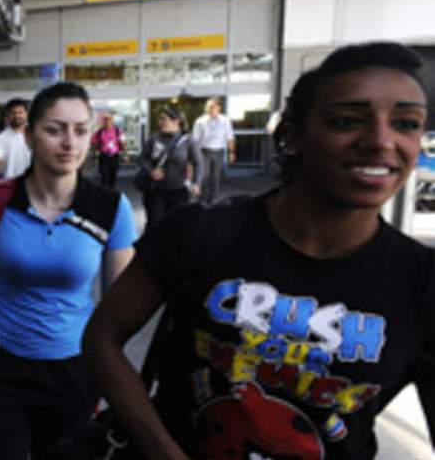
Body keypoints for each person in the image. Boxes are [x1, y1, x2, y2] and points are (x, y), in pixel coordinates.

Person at [83, 42, 435, 460]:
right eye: (346, 121)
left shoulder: (422, 281)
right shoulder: (198, 233)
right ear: (292, 136)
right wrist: (163, 451)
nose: (381, 140)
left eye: (406, 123)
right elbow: (102, 339)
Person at [0, 82, 138, 459]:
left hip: (73, 371)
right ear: (30, 135)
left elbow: (120, 310)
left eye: (80, 130)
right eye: (55, 129)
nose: (69, 142)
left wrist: (108, 378)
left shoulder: (110, 208)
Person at [138, 105, 203, 228]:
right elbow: (141, 159)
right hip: (155, 190)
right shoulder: (154, 138)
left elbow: (198, 162)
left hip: (178, 191)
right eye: (159, 119)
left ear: (176, 121)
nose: (160, 122)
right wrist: (151, 171)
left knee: (176, 224)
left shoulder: (188, 140)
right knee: (155, 224)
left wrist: (196, 183)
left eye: (164, 119)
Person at [192, 97, 236, 205]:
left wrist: (231, 152)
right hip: (204, 152)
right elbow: (194, 140)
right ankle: (202, 202)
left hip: (218, 152)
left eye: (213, 107)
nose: (211, 109)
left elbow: (230, 138)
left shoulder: (225, 121)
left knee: (215, 177)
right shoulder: (200, 121)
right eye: (209, 107)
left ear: (219, 108)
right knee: (203, 176)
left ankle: (213, 201)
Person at [0, 97, 31, 179]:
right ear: (7, 115)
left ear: (26, 114)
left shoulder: (35, 134)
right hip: (10, 184)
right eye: (13, 113)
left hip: (33, 183)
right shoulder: (0, 139)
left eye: (20, 112)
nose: (17, 116)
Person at [91, 111, 125, 189]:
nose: (107, 121)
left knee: (113, 177)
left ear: (112, 121)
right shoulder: (100, 132)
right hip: (104, 157)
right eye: (105, 120)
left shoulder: (117, 131)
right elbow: (93, 141)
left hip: (114, 157)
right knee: (104, 177)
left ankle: (111, 193)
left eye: (109, 119)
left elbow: (123, 142)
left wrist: (125, 154)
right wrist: (98, 148)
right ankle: (105, 194)